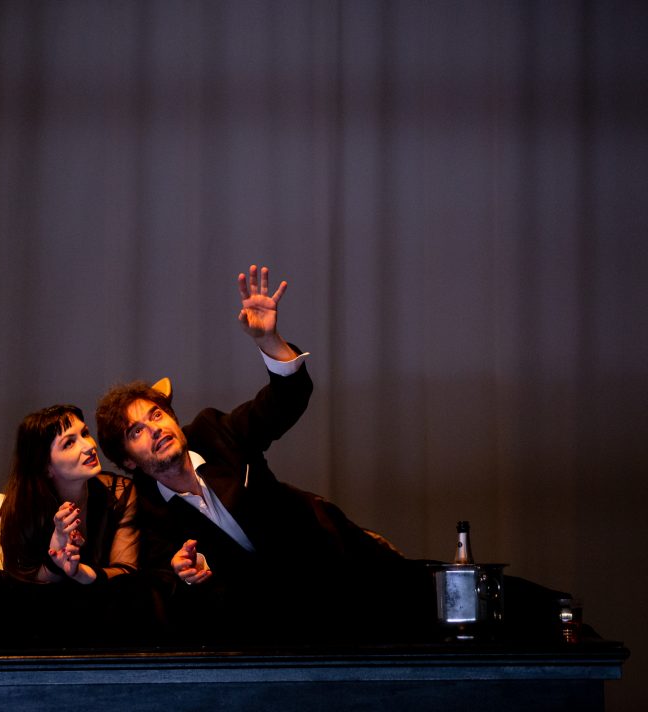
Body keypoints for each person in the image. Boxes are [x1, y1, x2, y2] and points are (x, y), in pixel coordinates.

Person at [95, 265, 431, 642]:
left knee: (447, 608)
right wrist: (186, 574)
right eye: (136, 431)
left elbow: (283, 403)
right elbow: (166, 585)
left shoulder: (214, 431)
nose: (155, 428)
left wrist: (269, 340)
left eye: (157, 415)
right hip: (279, 622)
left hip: (338, 559)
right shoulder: (146, 510)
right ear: (127, 460)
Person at [0, 404, 138, 584]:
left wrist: (81, 573)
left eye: (85, 433)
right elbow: (20, 578)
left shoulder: (120, 492)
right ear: (45, 467)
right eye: (69, 443)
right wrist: (56, 561)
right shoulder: (23, 507)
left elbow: (127, 573)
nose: (89, 446)